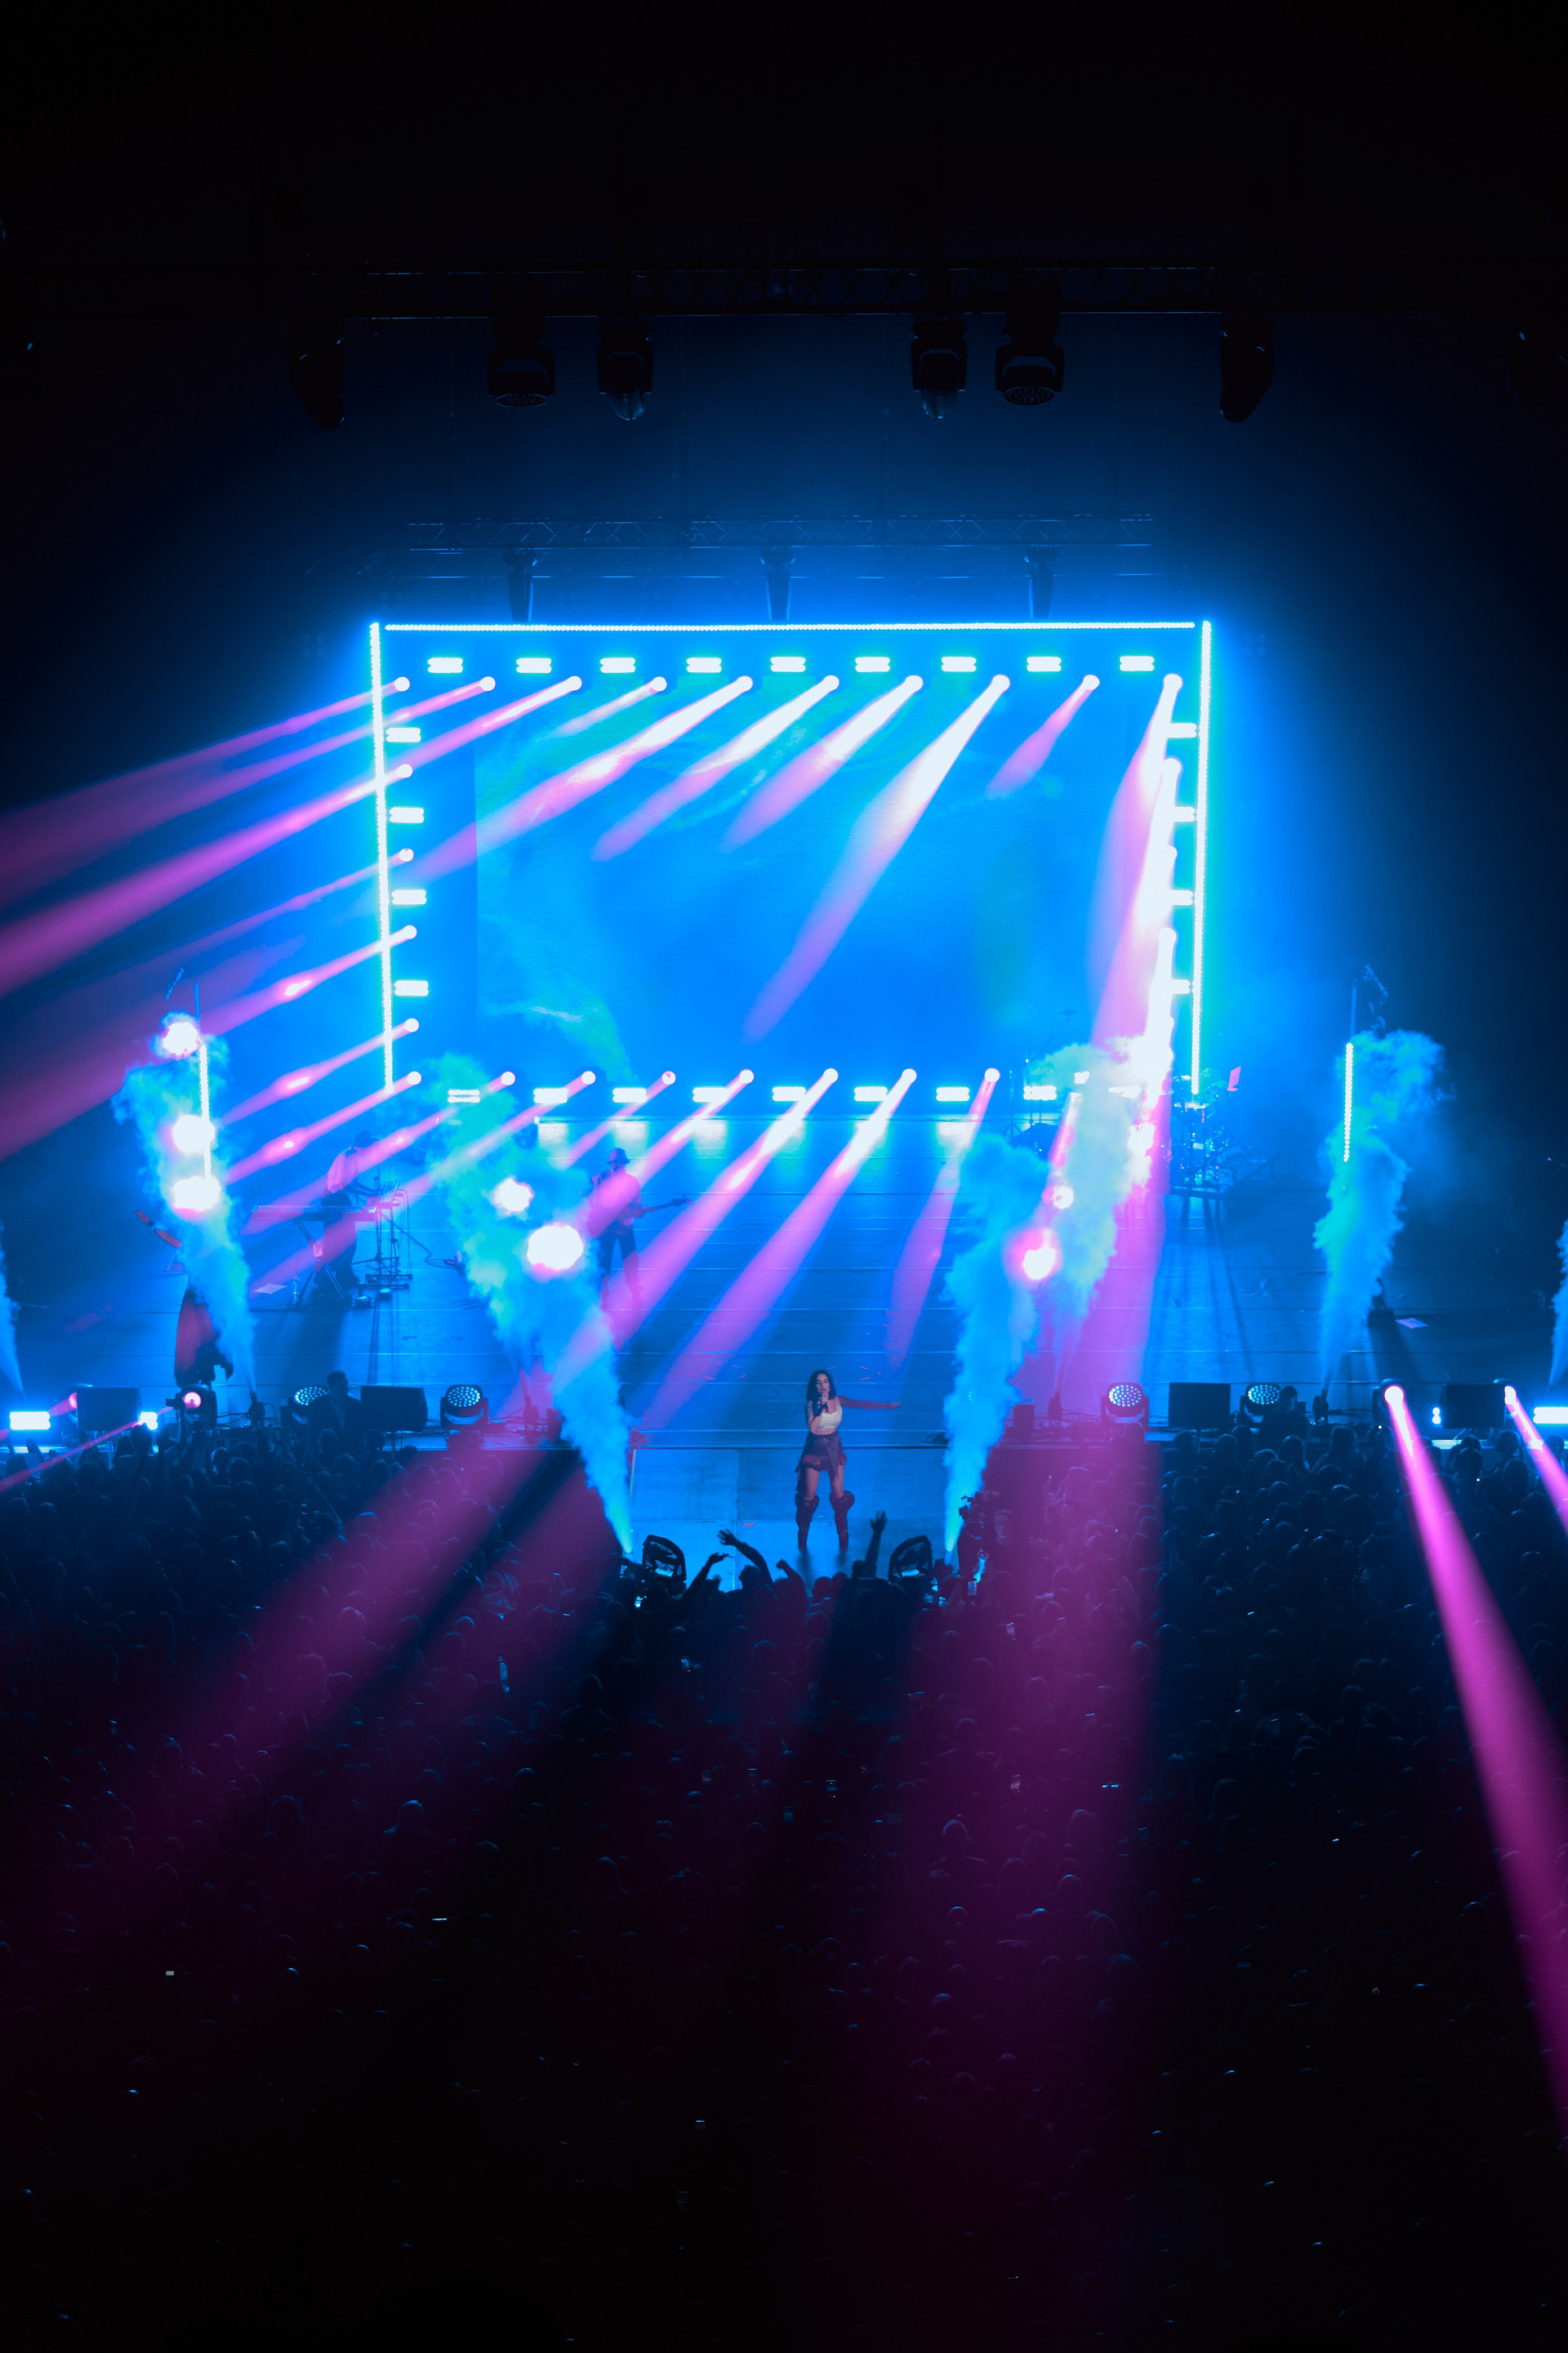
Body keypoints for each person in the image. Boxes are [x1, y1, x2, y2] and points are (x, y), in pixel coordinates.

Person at [795, 1367, 898, 1552]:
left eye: (825, 1381)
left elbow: (861, 1404)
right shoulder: (810, 1404)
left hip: (834, 1448)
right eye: (818, 1382)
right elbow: (813, 1428)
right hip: (815, 1448)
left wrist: (886, 1406)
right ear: (814, 1386)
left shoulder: (838, 1400)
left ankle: (843, 1539)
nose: (822, 1385)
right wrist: (820, 1408)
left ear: (830, 1384)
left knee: (839, 1496)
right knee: (808, 1497)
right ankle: (803, 1537)